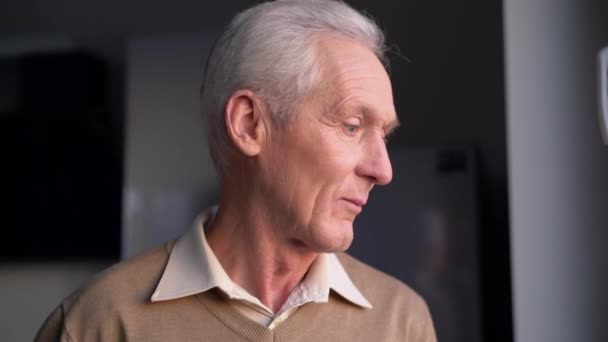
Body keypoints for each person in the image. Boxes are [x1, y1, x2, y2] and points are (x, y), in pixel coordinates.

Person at [35, 0, 437, 341]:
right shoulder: (96, 323)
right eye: (352, 126)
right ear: (249, 124)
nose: (382, 170)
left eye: (383, 135)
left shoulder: (401, 322)